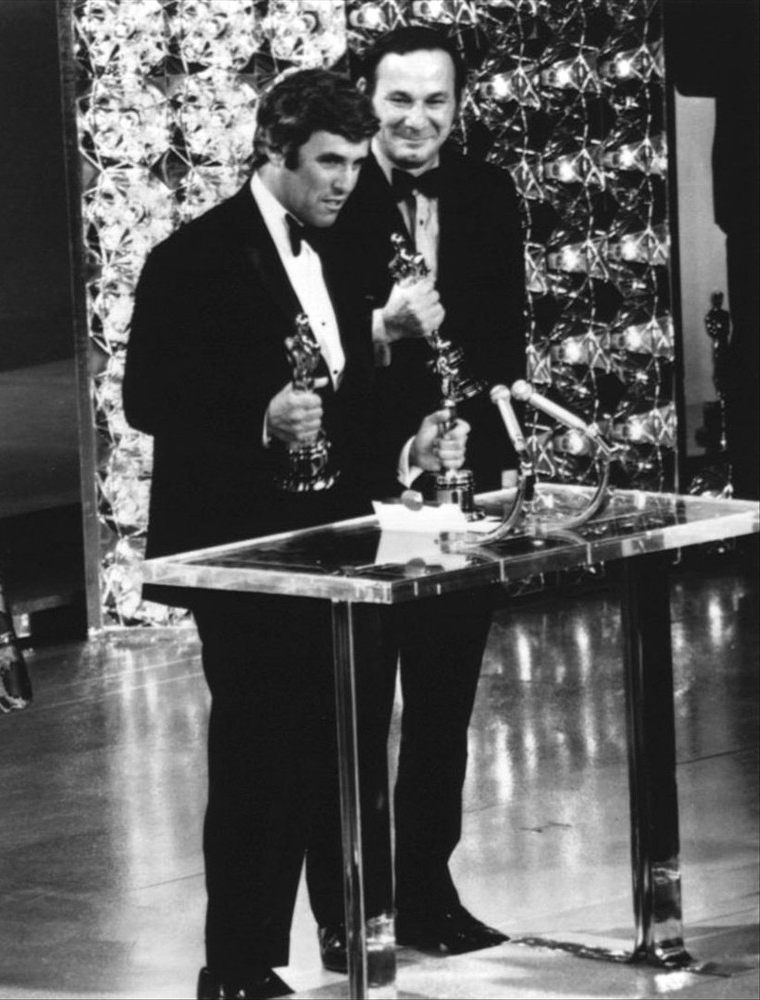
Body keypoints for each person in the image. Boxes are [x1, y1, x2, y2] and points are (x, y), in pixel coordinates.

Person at [122, 68, 469, 1000]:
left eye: (354, 162)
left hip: (337, 544)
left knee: (344, 746)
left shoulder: (341, 248)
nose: (345, 181)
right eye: (327, 162)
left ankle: (351, 927)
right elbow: (147, 397)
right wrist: (256, 419)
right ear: (274, 153)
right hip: (242, 553)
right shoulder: (193, 256)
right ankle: (236, 966)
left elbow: (350, 402)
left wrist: (407, 448)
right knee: (258, 755)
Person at [319, 26, 527, 967]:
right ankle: (349, 909)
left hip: (459, 481)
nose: (416, 119)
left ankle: (428, 895)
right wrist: (384, 338)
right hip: (356, 483)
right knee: (354, 708)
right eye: (398, 100)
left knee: (444, 703)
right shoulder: (327, 192)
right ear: (366, 100)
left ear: (458, 105)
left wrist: (487, 450)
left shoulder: (486, 191)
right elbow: (306, 345)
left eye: (435, 100)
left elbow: (504, 335)